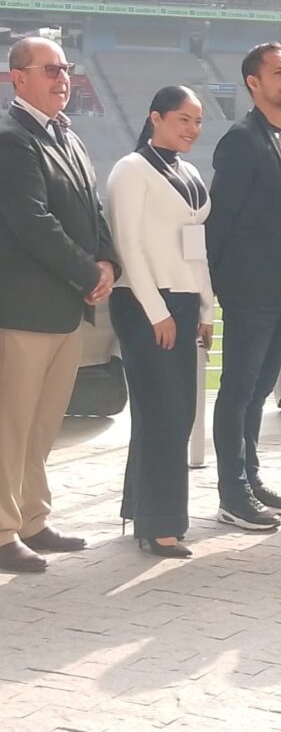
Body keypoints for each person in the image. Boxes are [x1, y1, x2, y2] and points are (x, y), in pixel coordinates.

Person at [0, 37, 120, 573]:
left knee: (43, 424)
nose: (62, 77)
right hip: (23, 310)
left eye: (66, 68)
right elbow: (32, 222)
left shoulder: (67, 136)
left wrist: (108, 262)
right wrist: (87, 272)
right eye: (50, 69)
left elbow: (93, 210)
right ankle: (3, 531)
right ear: (18, 78)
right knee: (10, 426)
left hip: (65, 309)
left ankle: (32, 518)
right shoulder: (11, 138)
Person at [206, 42, 281, 531]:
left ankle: (250, 477)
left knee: (260, 391)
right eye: (277, 72)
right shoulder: (241, 140)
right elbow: (219, 224)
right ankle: (233, 494)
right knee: (238, 391)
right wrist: (216, 292)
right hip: (249, 293)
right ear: (253, 83)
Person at [106, 86, 213, 559]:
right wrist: (157, 311)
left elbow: (195, 247)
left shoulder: (189, 173)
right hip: (144, 303)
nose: (192, 129)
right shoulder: (131, 170)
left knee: (177, 411)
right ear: (155, 118)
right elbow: (127, 244)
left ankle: (142, 508)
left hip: (183, 302)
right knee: (165, 413)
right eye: (182, 119)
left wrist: (206, 307)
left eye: (198, 121)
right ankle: (161, 524)